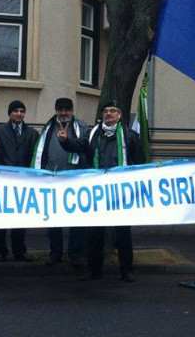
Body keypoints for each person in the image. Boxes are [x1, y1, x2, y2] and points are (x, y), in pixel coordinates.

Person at [59, 99, 144, 282]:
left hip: (121, 192)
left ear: (119, 115)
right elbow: (78, 146)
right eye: (106, 111)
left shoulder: (130, 137)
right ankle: (94, 270)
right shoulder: (93, 134)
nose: (108, 114)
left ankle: (127, 270)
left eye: (113, 111)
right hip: (97, 192)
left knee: (123, 233)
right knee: (95, 233)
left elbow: (139, 164)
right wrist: (65, 141)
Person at [31, 98, 88, 269]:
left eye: (67, 110)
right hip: (53, 179)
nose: (63, 113)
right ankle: (55, 252)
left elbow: (84, 146)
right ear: (56, 110)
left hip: (75, 179)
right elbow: (41, 153)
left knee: (76, 219)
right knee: (53, 218)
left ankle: (75, 253)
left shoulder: (82, 128)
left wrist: (66, 141)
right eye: (60, 109)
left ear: (72, 111)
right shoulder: (48, 128)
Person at [0, 100, 38, 262]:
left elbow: (34, 157)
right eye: (15, 111)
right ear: (9, 113)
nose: (19, 114)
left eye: (21, 111)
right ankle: (0, 250)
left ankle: (19, 250)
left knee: (20, 218)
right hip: (4, 180)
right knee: (1, 217)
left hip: (24, 181)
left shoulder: (32, 133)